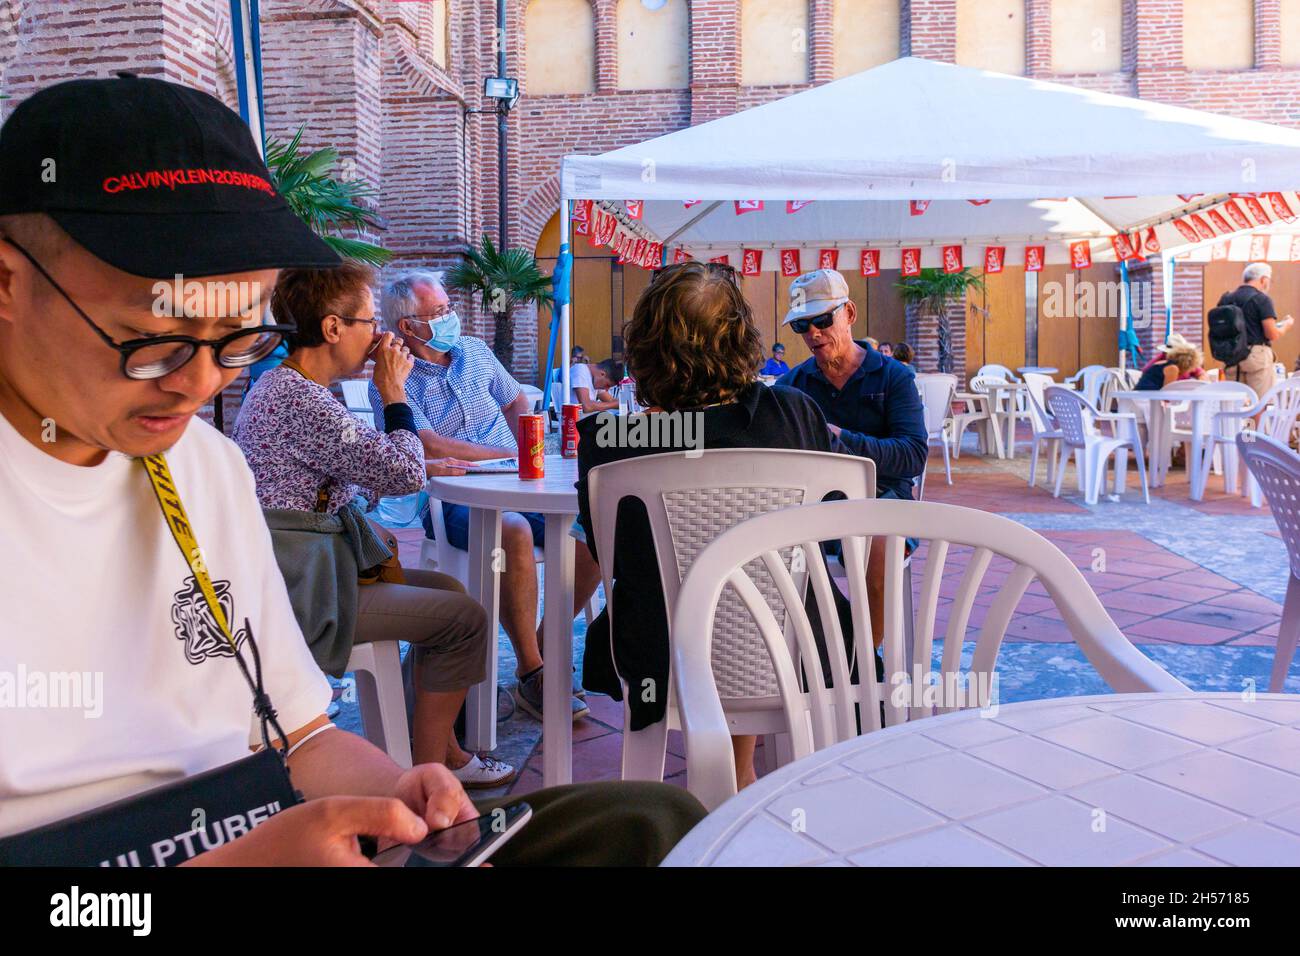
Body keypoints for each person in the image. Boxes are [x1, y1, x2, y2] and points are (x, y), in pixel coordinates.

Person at [0, 75, 704, 866]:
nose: (199, 384)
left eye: (235, 338)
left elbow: (300, 731)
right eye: (151, 339)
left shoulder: (202, 468)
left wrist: (392, 790)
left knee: (650, 822)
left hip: (265, 827)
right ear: (8, 283)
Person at [576, 261, 856, 789]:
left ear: (645, 346)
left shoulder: (609, 438)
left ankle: (710, 780)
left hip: (658, 657)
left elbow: (607, 550)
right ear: (741, 339)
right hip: (795, 648)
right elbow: (825, 537)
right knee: (759, 591)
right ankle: (739, 773)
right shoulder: (796, 413)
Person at [233, 262, 514, 787]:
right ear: (333, 328)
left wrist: (422, 464)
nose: (381, 336)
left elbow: (360, 471)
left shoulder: (286, 389)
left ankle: (440, 745)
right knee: (465, 618)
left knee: (450, 589)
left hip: (312, 569)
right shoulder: (301, 399)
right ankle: (428, 775)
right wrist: (394, 394)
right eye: (368, 321)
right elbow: (402, 475)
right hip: (308, 589)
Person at [374, 270, 602, 721]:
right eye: (438, 312)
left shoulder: (474, 352)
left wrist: (525, 448)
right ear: (408, 326)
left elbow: (518, 402)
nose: (449, 318)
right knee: (511, 529)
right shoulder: (394, 377)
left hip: (518, 479)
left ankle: (543, 642)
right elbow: (427, 444)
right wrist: (505, 453)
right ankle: (533, 672)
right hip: (454, 497)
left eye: (448, 308)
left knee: (597, 524)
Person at [777, 269, 929, 644]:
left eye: (822, 319)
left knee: (875, 541)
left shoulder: (894, 377)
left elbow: (913, 455)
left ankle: (866, 665)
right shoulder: (791, 386)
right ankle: (798, 657)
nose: (813, 333)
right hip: (815, 506)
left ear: (849, 313)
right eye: (801, 326)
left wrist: (840, 439)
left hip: (885, 500)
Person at [1220, 262, 1293, 398]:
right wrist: (1286, 326)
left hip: (1231, 355)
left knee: (1235, 403)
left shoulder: (1226, 298)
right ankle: (1256, 421)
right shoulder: (1262, 299)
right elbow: (1271, 334)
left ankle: (1240, 421)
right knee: (1259, 402)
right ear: (1263, 279)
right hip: (1256, 355)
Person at [1136, 334, 1205, 390]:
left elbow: (1201, 373)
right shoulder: (1172, 368)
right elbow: (1168, 394)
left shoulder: (1167, 363)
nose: (1192, 369)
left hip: (1148, 398)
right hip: (1144, 400)